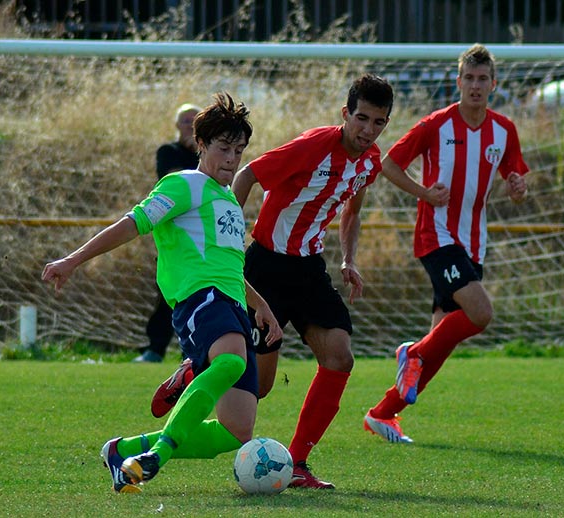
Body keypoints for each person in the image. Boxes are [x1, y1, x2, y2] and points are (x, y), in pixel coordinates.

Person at [41, 93, 282, 493]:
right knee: (231, 364)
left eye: (239, 150)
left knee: (236, 431)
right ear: (200, 145)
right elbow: (131, 223)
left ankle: (124, 450)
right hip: (199, 298)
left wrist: (262, 306)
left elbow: (229, 267)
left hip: (233, 305)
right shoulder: (184, 184)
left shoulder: (229, 202)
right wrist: (73, 259)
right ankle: (158, 456)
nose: (232, 159)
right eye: (223, 148)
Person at [232, 73, 394, 489]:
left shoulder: (371, 161)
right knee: (260, 387)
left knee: (340, 357)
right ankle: (193, 371)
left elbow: (352, 212)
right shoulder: (312, 147)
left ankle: (299, 464)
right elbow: (248, 173)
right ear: (345, 114)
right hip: (264, 269)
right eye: (362, 118)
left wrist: (349, 260)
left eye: (379, 122)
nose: (368, 130)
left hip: (308, 270)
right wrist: (226, 233)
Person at [363, 43, 529, 444]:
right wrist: (423, 192)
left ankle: (383, 413)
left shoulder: (503, 130)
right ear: (458, 82)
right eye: (468, 78)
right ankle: (412, 354)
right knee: (481, 313)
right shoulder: (436, 124)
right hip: (436, 236)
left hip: (474, 243)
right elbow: (387, 163)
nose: (475, 85)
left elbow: (515, 177)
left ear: (493, 84)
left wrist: (518, 185)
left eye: (482, 79)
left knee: (442, 340)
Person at [134, 103, 201, 363]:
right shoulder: (169, 151)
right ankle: (155, 349)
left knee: (200, 290)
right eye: (186, 121)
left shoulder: (212, 156)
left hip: (203, 234)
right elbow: (175, 182)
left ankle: (193, 352)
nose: (190, 125)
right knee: (169, 292)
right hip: (175, 234)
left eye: (195, 121)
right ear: (177, 125)